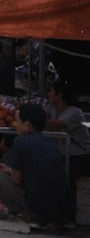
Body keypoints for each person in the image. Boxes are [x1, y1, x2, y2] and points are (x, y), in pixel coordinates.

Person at [0, 104, 74, 228]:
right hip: (62, 212)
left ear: (28, 125)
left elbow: (16, 179)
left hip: (38, 209)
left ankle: (29, 215)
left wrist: (9, 171)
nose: (14, 124)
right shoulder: (51, 144)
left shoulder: (20, 142)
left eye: (17, 121)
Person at [44, 79, 90, 219]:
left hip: (81, 156)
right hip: (63, 153)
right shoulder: (51, 108)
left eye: (51, 91)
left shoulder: (75, 112)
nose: (49, 93)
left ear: (59, 95)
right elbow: (41, 114)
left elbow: (57, 124)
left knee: (63, 177)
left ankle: (67, 216)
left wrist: (34, 118)